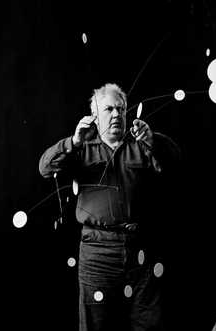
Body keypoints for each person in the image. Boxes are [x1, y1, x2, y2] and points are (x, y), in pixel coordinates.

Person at [39, 83, 180, 331]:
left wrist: (152, 140)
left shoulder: (142, 145)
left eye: (121, 109)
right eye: (109, 109)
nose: (116, 114)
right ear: (95, 115)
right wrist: (73, 141)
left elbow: (175, 163)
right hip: (97, 254)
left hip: (140, 252)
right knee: (96, 325)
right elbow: (45, 168)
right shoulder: (82, 149)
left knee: (149, 324)